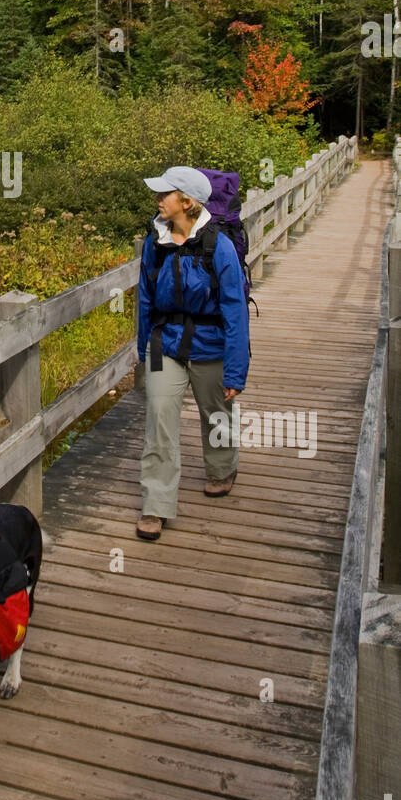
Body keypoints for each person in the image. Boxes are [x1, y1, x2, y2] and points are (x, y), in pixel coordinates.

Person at [135, 165, 249, 541]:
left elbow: (235, 310)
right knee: (158, 415)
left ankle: (221, 469)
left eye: (165, 194)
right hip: (161, 343)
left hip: (211, 340)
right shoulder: (155, 241)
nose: (157, 199)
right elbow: (146, 299)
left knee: (216, 412)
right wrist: (143, 354)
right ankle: (156, 503)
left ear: (186, 202)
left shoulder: (221, 247)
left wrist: (235, 371)